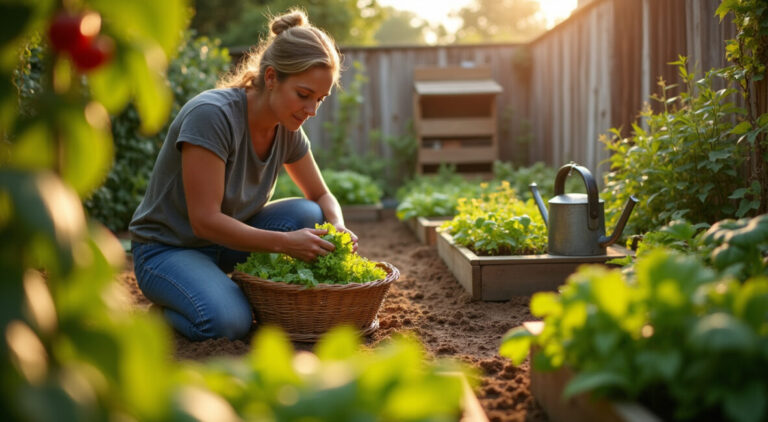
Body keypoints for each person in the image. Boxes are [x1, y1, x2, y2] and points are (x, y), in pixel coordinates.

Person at [128, 9, 357, 341]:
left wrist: (337, 225)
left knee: (310, 214)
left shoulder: (287, 127)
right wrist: (285, 243)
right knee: (229, 323)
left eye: (320, 99)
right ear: (270, 78)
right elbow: (204, 221)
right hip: (168, 250)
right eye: (304, 95)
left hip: (226, 245)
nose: (312, 110)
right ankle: (164, 315)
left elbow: (322, 196)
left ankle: (214, 287)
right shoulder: (212, 116)